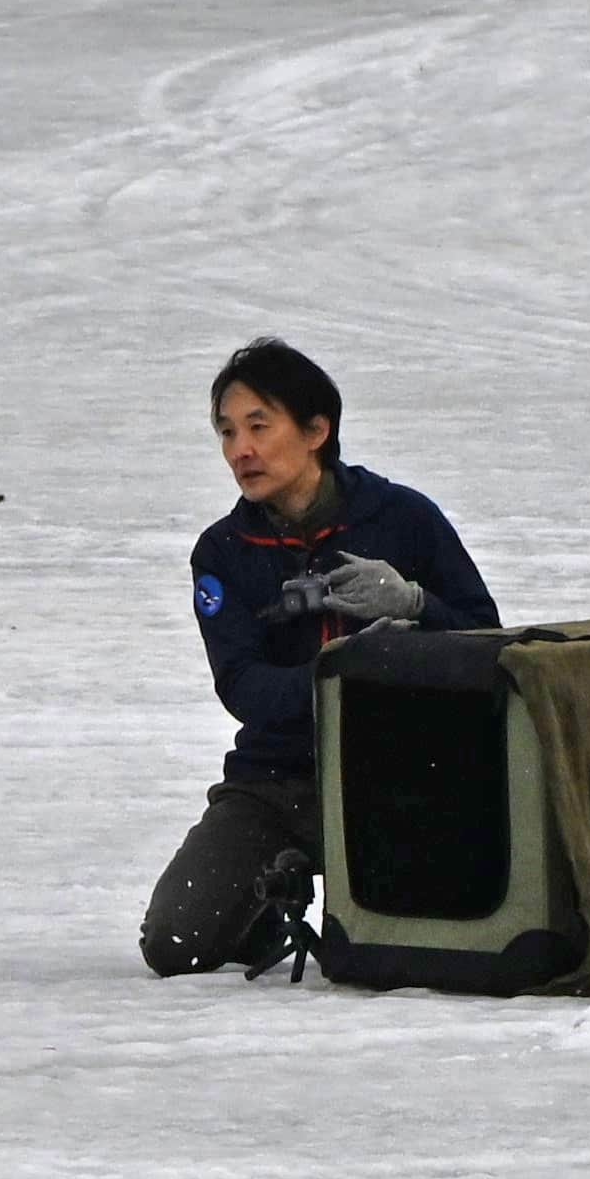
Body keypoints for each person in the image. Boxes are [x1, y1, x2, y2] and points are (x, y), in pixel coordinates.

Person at [138, 338, 499, 977]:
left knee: (419, 951)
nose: (240, 450)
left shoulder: (403, 518)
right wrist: (346, 673)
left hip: (404, 773)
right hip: (276, 782)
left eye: (258, 427)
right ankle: (267, 903)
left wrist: (416, 604)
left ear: (315, 431)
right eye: (227, 432)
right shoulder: (224, 552)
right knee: (175, 943)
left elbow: (487, 639)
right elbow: (241, 685)